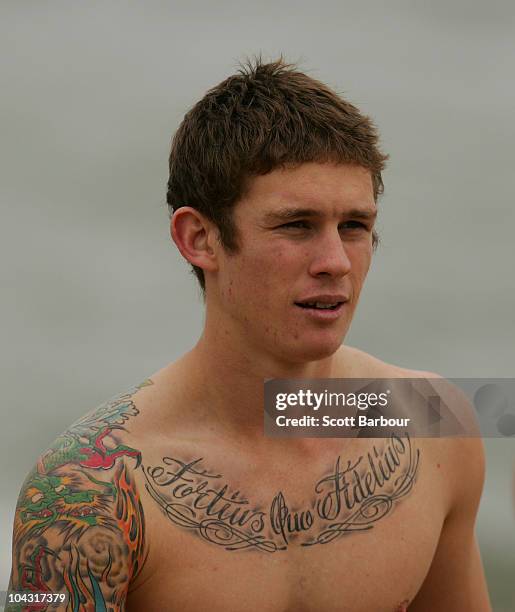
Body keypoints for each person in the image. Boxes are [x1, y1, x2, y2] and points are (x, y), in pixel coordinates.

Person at [7, 58, 491, 612]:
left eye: (354, 226)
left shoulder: (435, 424)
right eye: (296, 225)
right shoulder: (85, 492)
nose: (336, 261)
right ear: (200, 238)